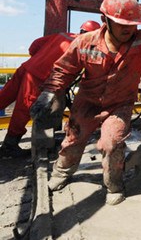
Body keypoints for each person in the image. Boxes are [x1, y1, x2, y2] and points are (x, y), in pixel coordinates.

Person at [30, 0, 141, 206]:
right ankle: (62, 172)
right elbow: (63, 71)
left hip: (119, 104)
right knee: (74, 140)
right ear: (105, 20)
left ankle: (114, 185)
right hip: (88, 103)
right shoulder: (85, 43)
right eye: (122, 24)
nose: (128, 30)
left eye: (133, 25)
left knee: (112, 143)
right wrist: (49, 93)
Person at [0, 20, 101, 159]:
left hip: (26, 67)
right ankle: (9, 146)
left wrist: (41, 58)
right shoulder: (85, 47)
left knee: (4, 96)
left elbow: (34, 46)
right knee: (23, 109)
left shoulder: (63, 35)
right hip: (39, 77)